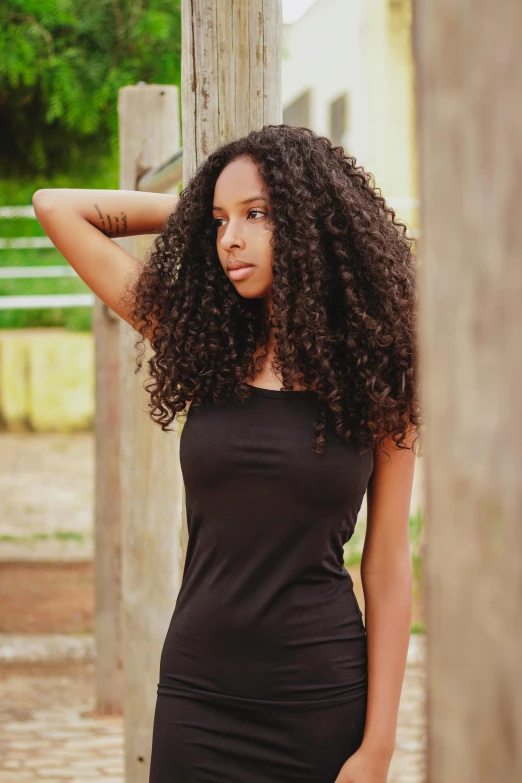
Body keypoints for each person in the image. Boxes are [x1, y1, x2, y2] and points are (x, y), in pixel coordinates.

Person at [33, 124, 422, 783]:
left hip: (319, 701)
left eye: (257, 215)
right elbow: (54, 207)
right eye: (218, 221)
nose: (229, 239)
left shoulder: (379, 375)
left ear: (308, 224)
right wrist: (193, 212)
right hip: (199, 697)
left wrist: (377, 744)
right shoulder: (203, 341)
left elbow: (385, 563)